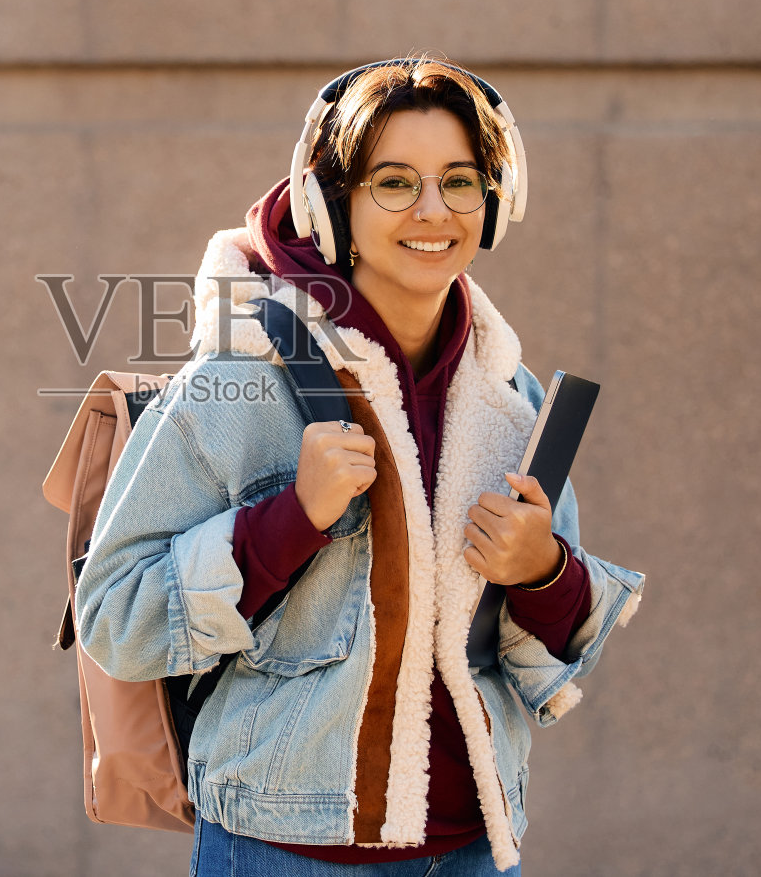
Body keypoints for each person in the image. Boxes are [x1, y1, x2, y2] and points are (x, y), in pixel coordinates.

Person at [75, 58, 645, 876]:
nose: (431, 210)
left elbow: (545, 655)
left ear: (495, 201)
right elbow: (114, 617)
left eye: (459, 180)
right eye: (393, 182)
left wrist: (544, 569)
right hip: (284, 849)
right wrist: (287, 520)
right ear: (330, 203)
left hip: (476, 850)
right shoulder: (241, 381)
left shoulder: (509, 401)